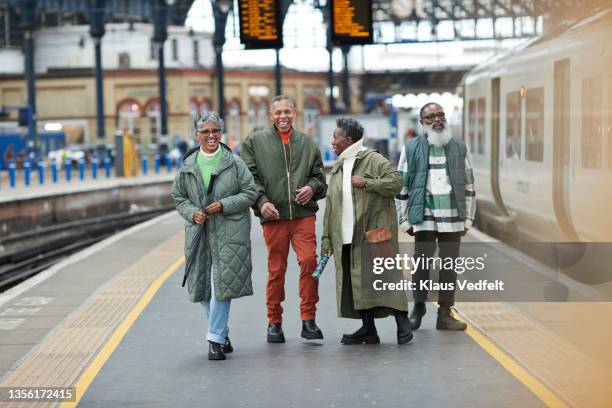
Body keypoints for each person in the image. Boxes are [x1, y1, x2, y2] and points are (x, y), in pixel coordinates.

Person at [241, 95, 327, 343]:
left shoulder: (308, 143)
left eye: (287, 112)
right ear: (270, 115)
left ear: (294, 113)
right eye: (278, 112)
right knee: (276, 270)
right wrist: (261, 202)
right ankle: (274, 322)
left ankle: (308, 320)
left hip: (303, 214)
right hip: (274, 215)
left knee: (311, 261)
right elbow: (249, 178)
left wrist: (312, 187)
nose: (283, 117)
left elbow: (320, 178)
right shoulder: (255, 142)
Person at [171, 111, 257, 360]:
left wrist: (223, 204)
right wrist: (191, 213)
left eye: (216, 131)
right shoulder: (187, 165)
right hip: (199, 232)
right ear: (197, 135)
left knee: (222, 285)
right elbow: (179, 198)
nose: (211, 136)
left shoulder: (235, 162)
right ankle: (221, 331)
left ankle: (215, 340)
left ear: (221, 133)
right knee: (201, 286)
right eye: (206, 132)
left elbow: (250, 192)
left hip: (229, 233)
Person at [321, 117, 413, 345]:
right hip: (344, 234)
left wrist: (369, 182)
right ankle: (368, 329)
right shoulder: (339, 166)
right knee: (355, 282)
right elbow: (331, 205)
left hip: (372, 234)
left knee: (385, 277)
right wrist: (326, 239)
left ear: (348, 140)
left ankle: (403, 325)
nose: (332, 142)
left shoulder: (373, 159)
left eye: (335, 137)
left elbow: (397, 183)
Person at [395, 102, 476, 331]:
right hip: (424, 215)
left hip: (453, 215)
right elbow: (401, 186)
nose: (437, 119)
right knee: (422, 264)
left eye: (440, 115)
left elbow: (470, 184)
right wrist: (403, 219)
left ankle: (444, 313)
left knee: (449, 265)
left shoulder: (460, 147)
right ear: (422, 123)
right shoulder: (410, 148)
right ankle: (418, 306)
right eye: (431, 117)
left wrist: (468, 219)